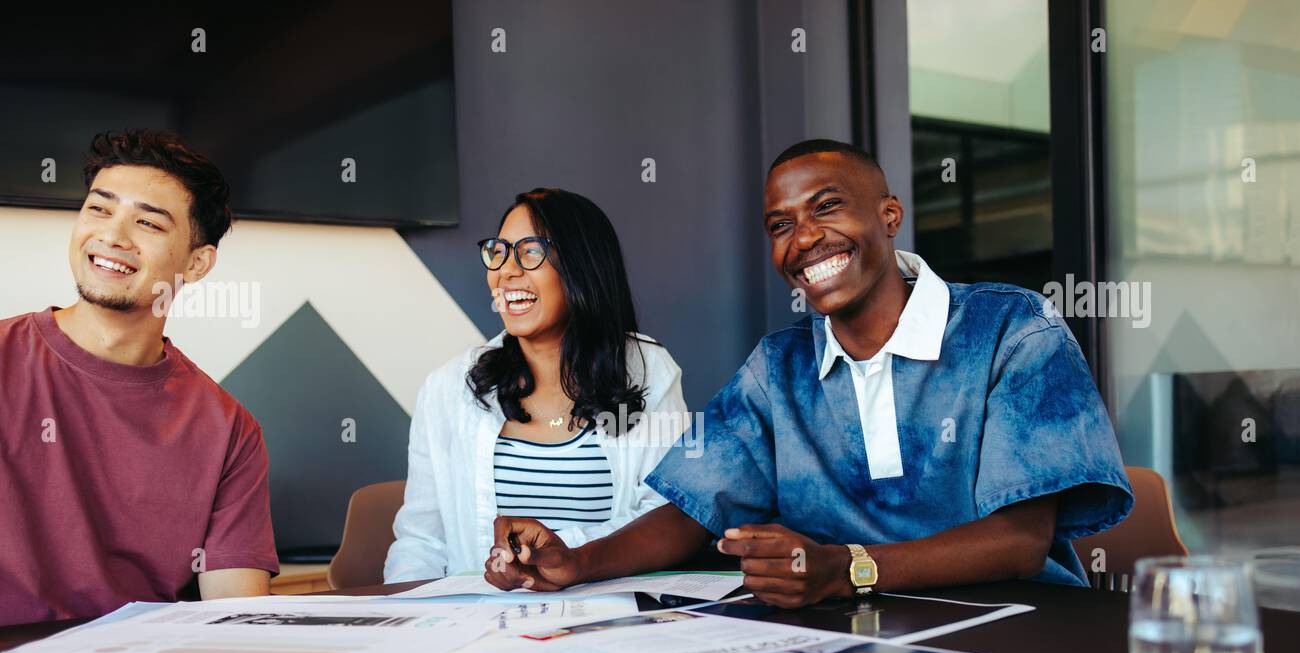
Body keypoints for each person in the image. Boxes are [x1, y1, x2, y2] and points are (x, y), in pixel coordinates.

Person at [485, 139, 1133, 607]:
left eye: (826, 207)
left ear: (888, 214)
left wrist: (846, 568)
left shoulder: (1014, 330)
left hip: (1018, 631)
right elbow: (692, 511)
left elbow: (1019, 540)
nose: (804, 237)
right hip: (845, 644)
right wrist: (580, 560)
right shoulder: (779, 366)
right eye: (780, 224)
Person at [0, 129, 278, 625]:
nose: (112, 236)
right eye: (99, 209)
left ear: (197, 263)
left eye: (147, 222)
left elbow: (238, 619)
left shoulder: (230, 430)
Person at [384, 188, 689, 582]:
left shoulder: (648, 370)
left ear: (582, 266)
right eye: (499, 251)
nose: (506, 270)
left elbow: (666, 519)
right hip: (482, 624)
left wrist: (557, 553)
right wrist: (413, 624)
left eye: (530, 251)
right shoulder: (448, 387)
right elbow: (421, 542)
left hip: (609, 619)